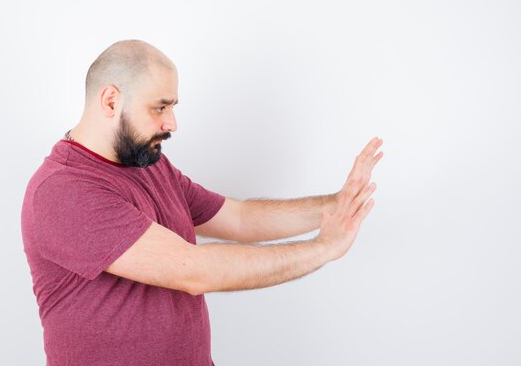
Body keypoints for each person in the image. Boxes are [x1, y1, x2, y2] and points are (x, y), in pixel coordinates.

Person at [20, 39, 384, 366]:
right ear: (111, 101)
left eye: (172, 107)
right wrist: (323, 249)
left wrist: (336, 206)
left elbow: (238, 219)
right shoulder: (63, 190)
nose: (172, 123)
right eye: (160, 108)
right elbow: (193, 271)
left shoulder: (150, 163)